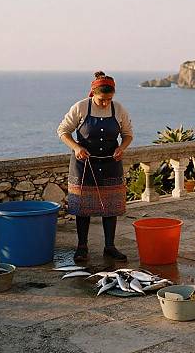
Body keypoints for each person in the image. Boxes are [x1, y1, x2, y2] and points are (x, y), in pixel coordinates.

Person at [57, 71, 133, 262]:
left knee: (111, 207)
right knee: (83, 208)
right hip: (84, 165)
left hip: (110, 164)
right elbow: (62, 131)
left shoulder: (119, 109)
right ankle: (82, 247)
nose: (106, 103)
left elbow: (128, 134)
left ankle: (110, 246)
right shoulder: (81, 107)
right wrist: (76, 147)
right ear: (93, 93)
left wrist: (122, 148)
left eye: (109, 99)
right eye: (102, 99)